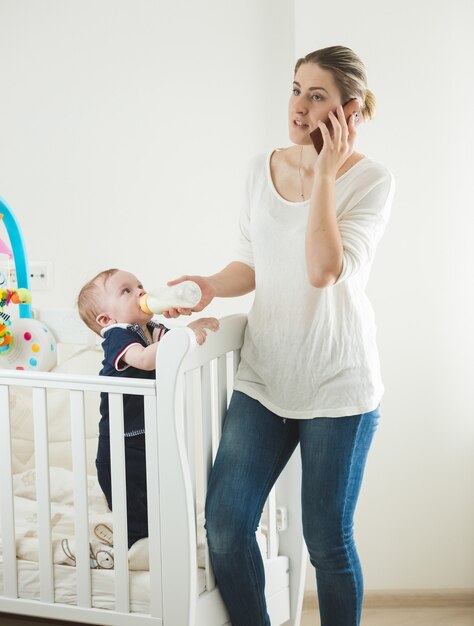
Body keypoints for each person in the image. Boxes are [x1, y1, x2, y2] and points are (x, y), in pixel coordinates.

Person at [164, 45, 395, 626]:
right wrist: (211, 285)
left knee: (327, 543)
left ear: (349, 112)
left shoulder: (372, 181)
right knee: (225, 528)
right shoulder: (257, 168)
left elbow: (322, 268)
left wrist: (322, 173)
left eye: (317, 95)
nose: (298, 105)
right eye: (296, 88)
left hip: (339, 387)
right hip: (266, 378)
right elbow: (253, 261)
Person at [77, 268, 219, 548]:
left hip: (148, 435)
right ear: (106, 319)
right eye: (126, 291)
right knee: (130, 502)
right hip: (120, 445)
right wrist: (185, 335)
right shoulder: (117, 335)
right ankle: (131, 547)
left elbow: (176, 345)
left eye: (139, 285)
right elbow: (143, 358)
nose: (141, 292)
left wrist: (191, 329)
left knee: (155, 495)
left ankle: (157, 539)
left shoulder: (152, 328)